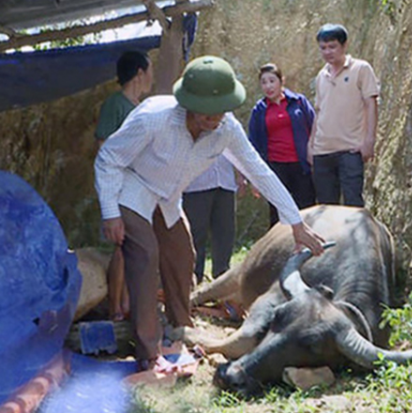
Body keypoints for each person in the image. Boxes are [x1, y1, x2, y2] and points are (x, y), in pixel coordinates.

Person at [94, 55, 326, 373]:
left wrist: (296, 223)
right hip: (132, 188)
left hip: (168, 198)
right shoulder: (152, 118)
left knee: (182, 255)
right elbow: (108, 158)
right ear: (187, 103)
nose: (215, 118)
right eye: (207, 111)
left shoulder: (226, 128)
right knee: (145, 256)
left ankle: (180, 331)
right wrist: (110, 213)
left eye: (221, 110)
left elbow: (259, 171)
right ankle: (149, 353)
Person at [94, 51, 153, 322]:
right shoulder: (115, 105)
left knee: (134, 246)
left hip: (139, 188)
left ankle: (129, 302)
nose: (151, 76)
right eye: (149, 70)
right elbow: (103, 146)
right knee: (121, 245)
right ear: (139, 73)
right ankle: (115, 307)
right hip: (118, 185)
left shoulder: (141, 107)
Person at [307, 24, 379, 207]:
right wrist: (311, 144)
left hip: (350, 149)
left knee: (353, 205)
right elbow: (319, 111)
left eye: (332, 46)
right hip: (323, 150)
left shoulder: (361, 69)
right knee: (325, 207)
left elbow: (371, 104)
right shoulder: (321, 76)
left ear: (344, 45)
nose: (327, 52)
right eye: (323, 48)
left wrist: (369, 140)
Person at [248, 63, 316, 227]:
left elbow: (315, 126)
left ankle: (311, 247)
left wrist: (312, 154)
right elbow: (253, 144)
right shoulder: (259, 110)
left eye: (272, 81)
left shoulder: (299, 102)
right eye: (264, 82)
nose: (268, 86)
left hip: (301, 165)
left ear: (281, 81)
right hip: (275, 167)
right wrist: (254, 178)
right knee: (278, 213)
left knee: (306, 209)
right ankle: (280, 250)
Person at [182, 155, 244, 284]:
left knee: (225, 232)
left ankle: (222, 276)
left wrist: (240, 175)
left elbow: (234, 150)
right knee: (196, 233)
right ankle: (194, 277)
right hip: (196, 184)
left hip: (225, 182)